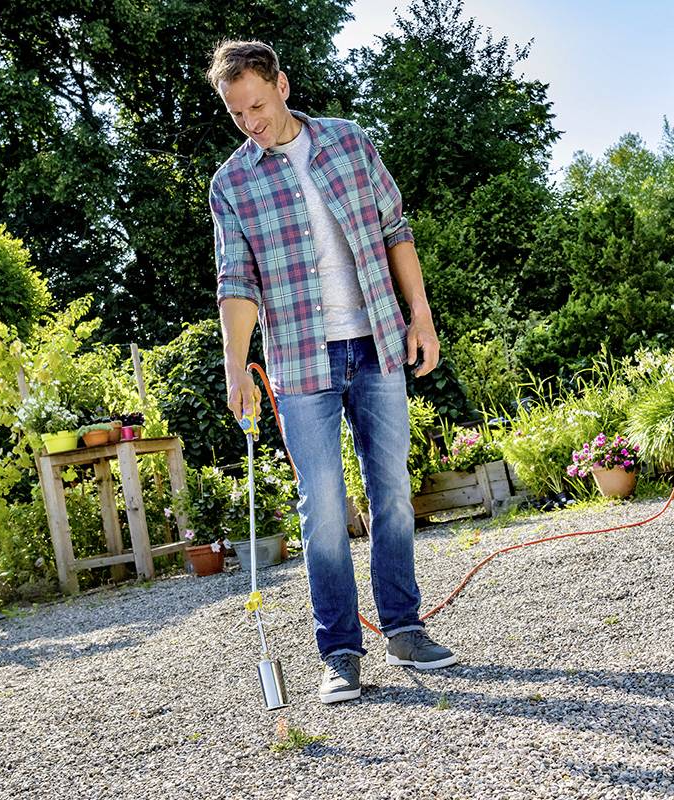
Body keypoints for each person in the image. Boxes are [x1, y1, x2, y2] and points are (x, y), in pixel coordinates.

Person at [206, 40, 457, 704]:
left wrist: (420, 315)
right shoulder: (231, 183)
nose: (251, 121)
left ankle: (405, 631)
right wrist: (236, 366)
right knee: (322, 512)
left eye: (257, 105)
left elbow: (395, 230)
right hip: (300, 359)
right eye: (237, 113)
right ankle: (340, 653)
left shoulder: (347, 143)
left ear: (282, 85)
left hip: (375, 339)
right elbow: (236, 282)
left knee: (393, 495)